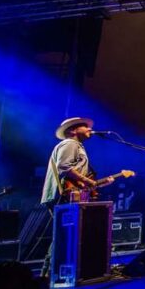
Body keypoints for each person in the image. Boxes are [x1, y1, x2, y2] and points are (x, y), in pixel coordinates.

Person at [41, 117, 112, 276]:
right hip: (61, 194)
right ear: (72, 130)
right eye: (84, 126)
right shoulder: (69, 144)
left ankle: (52, 272)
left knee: (64, 233)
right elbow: (64, 167)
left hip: (68, 193)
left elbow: (74, 175)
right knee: (62, 234)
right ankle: (49, 274)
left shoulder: (77, 145)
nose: (89, 129)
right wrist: (87, 180)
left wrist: (90, 183)